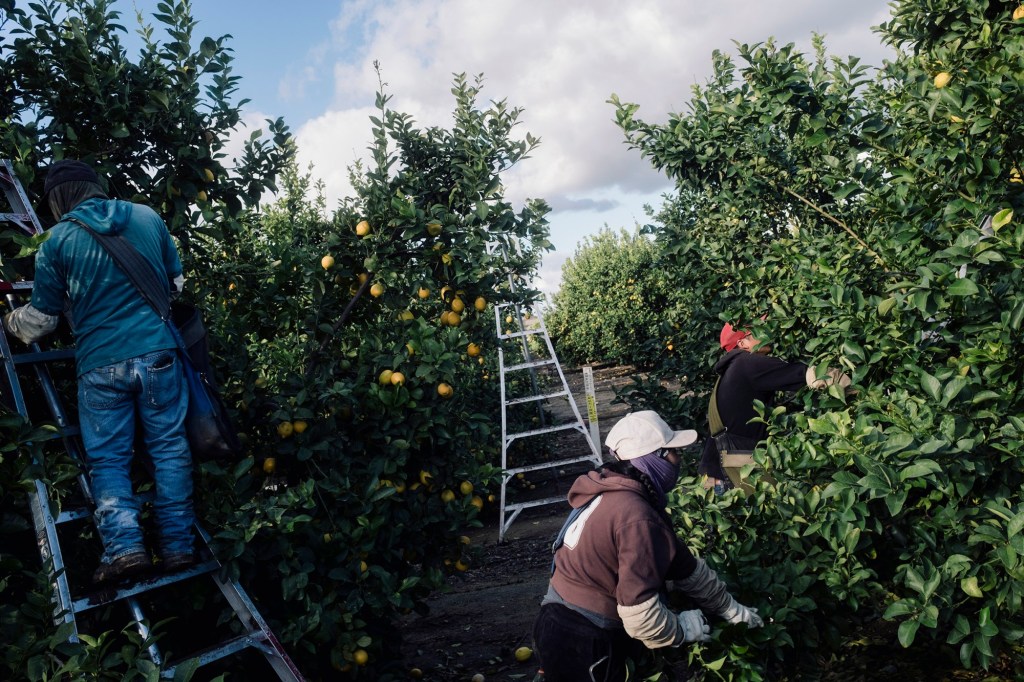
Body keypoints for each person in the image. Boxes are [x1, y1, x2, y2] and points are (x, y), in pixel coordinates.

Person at [3, 160, 196, 584]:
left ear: (58, 200)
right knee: (169, 449)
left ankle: (126, 549)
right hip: (159, 355)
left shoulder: (57, 241)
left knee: (108, 458)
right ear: (96, 186)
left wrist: (10, 322)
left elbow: (43, 321)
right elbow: (176, 285)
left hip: (101, 363)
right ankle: (179, 546)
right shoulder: (146, 216)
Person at [533, 410, 764, 681]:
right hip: (583, 641)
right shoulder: (636, 516)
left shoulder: (612, 488)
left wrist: (730, 608)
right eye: (674, 452)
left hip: (555, 623)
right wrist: (681, 630)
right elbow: (640, 615)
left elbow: (684, 567)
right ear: (656, 459)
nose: (680, 459)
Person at [701, 322, 849, 493]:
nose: (767, 332)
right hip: (735, 472)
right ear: (743, 344)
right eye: (757, 331)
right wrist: (851, 386)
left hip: (716, 471)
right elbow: (810, 376)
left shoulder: (731, 371)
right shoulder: (747, 363)